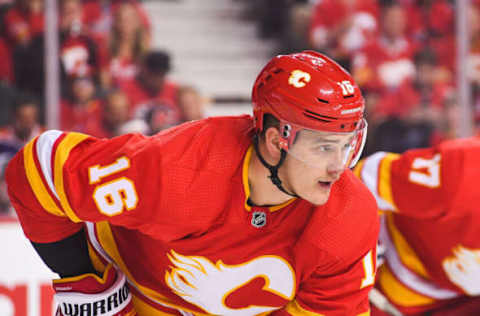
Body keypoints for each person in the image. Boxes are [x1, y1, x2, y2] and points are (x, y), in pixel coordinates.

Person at [6, 51, 379, 315]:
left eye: (348, 146)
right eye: (324, 147)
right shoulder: (178, 173)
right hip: (131, 292)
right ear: (273, 140)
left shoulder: (350, 216)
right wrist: (83, 282)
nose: (338, 166)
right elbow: (37, 170)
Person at [354, 139, 480, 315]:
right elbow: (367, 179)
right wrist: (359, 252)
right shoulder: (465, 173)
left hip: (434, 302)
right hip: (372, 258)